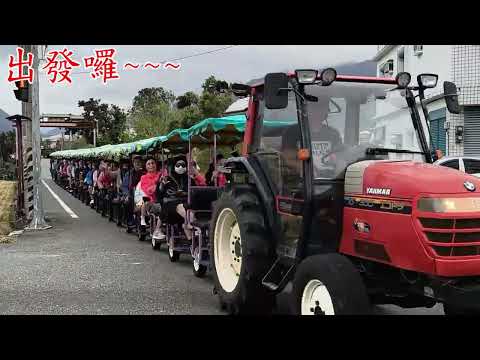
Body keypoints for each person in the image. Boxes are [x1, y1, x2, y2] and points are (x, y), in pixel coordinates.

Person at [135, 157, 162, 234]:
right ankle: (142, 222)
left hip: (160, 199)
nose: (151, 165)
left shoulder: (161, 174)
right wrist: (157, 184)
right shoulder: (143, 177)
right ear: (146, 166)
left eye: (153, 163)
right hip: (149, 200)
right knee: (143, 204)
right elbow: (149, 191)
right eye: (149, 164)